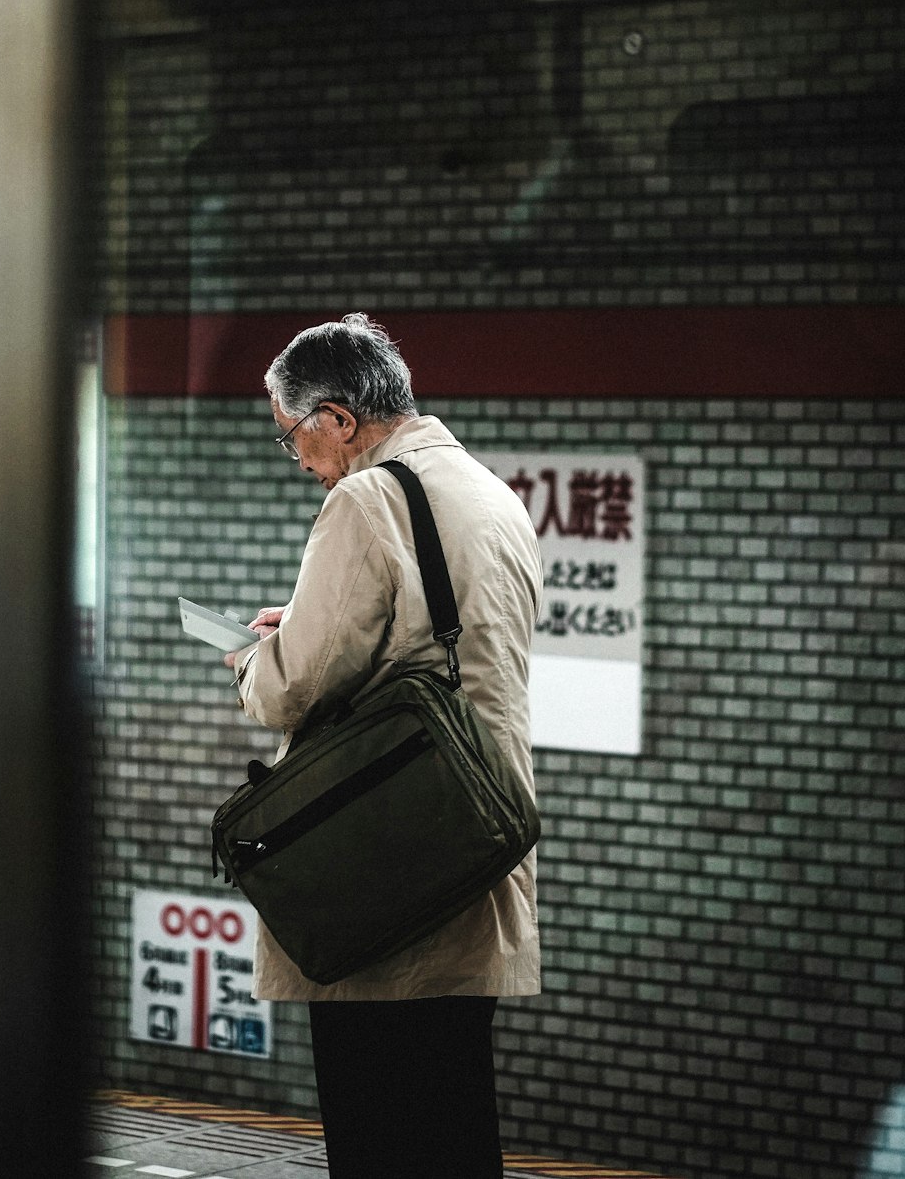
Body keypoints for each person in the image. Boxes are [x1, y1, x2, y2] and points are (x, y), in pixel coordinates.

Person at [223, 312, 542, 1179]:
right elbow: (440, 638)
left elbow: (293, 686)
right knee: (454, 1126)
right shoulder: (488, 493)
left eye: (293, 438)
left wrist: (257, 657)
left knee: (380, 1136)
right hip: (476, 847)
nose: (300, 462)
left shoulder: (367, 498)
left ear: (335, 417)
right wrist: (311, 625)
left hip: (386, 872)